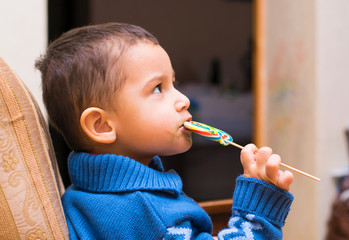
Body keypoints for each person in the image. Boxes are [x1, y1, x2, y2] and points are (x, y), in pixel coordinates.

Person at [35, 22, 294, 240]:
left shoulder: (81, 198)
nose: (183, 99)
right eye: (158, 88)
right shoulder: (152, 214)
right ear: (101, 126)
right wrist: (259, 209)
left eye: (174, 83)